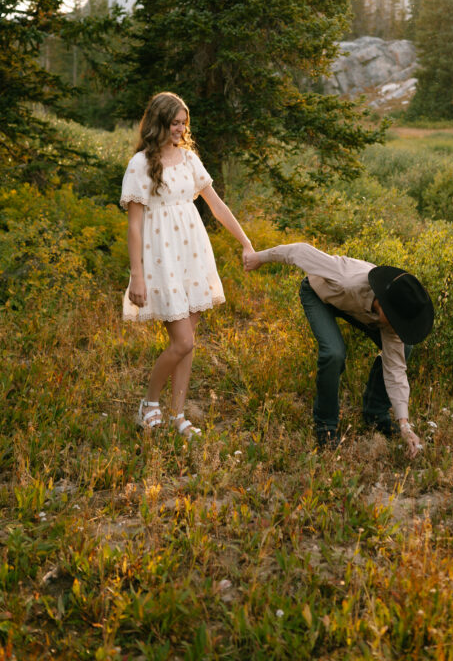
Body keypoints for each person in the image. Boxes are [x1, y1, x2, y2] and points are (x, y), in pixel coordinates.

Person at [121, 91, 253, 438]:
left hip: (193, 255)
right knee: (183, 342)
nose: (180, 129)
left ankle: (177, 414)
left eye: (183, 123)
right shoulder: (140, 165)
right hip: (161, 259)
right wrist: (137, 274)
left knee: (189, 339)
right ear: (159, 123)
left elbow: (216, 204)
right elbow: (134, 225)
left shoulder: (190, 159)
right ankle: (149, 405)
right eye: (174, 123)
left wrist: (245, 241)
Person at [243, 242, 434, 458]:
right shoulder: (346, 278)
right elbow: (298, 251)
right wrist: (259, 257)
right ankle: (325, 425)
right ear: (384, 305)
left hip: (355, 307)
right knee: (333, 353)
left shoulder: (393, 317)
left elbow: (395, 370)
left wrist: (405, 426)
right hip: (318, 294)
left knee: (403, 349)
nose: (397, 326)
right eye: (396, 320)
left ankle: (375, 414)